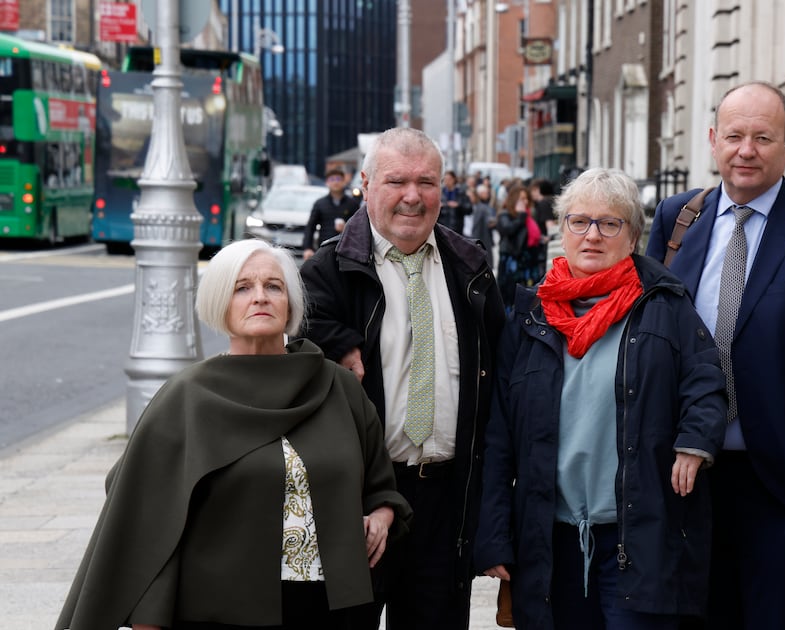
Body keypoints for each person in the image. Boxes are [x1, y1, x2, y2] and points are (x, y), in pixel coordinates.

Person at [57, 239, 411, 630]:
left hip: (334, 611)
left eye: (273, 286)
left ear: (291, 303)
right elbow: (151, 520)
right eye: (242, 288)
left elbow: (382, 485)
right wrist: (149, 621)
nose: (260, 297)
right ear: (219, 304)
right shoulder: (187, 398)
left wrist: (382, 513)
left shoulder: (338, 387)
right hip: (219, 612)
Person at [644, 80, 785, 629]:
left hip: (781, 481)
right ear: (712, 140)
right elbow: (649, 338)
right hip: (683, 476)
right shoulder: (678, 219)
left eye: (763, 137)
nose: (746, 150)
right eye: (734, 136)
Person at [475, 167, 728, 629]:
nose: (592, 235)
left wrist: (695, 442)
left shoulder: (665, 306)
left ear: (631, 236)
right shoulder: (529, 318)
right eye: (579, 221)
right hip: (550, 540)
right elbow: (499, 438)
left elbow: (706, 381)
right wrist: (495, 536)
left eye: (609, 223)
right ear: (561, 229)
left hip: (637, 538)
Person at [300, 127, 506, 630]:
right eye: (396, 181)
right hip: (363, 499)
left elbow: (501, 377)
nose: (412, 197)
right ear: (366, 185)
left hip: (445, 501)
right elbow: (295, 336)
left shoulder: (471, 267)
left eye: (427, 182)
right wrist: (338, 339)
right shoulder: (328, 269)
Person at [495, 184, 542, 307]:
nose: (525, 202)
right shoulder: (505, 215)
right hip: (511, 263)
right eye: (522, 198)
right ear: (514, 199)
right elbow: (507, 230)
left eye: (526, 198)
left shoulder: (528, 216)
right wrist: (521, 217)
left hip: (526, 263)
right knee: (510, 298)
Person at [303, 166, 361, 260]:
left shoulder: (352, 204)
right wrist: (308, 248)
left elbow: (360, 227)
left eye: (338, 179)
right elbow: (310, 227)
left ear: (344, 182)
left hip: (347, 249)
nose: (335, 182)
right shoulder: (320, 204)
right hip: (324, 247)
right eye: (332, 179)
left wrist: (346, 228)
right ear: (327, 182)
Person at [471, 183, 498, 268]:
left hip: (482, 239)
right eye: (486, 193)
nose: (488, 195)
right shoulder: (482, 207)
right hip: (481, 240)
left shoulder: (483, 207)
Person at [438, 170, 468, 234]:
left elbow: (469, 209)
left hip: (457, 228)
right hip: (442, 227)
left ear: (454, 179)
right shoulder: (440, 192)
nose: (447, 181)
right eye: (445, 179)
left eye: (449, 179)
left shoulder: (460, 192)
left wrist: (458, 206)